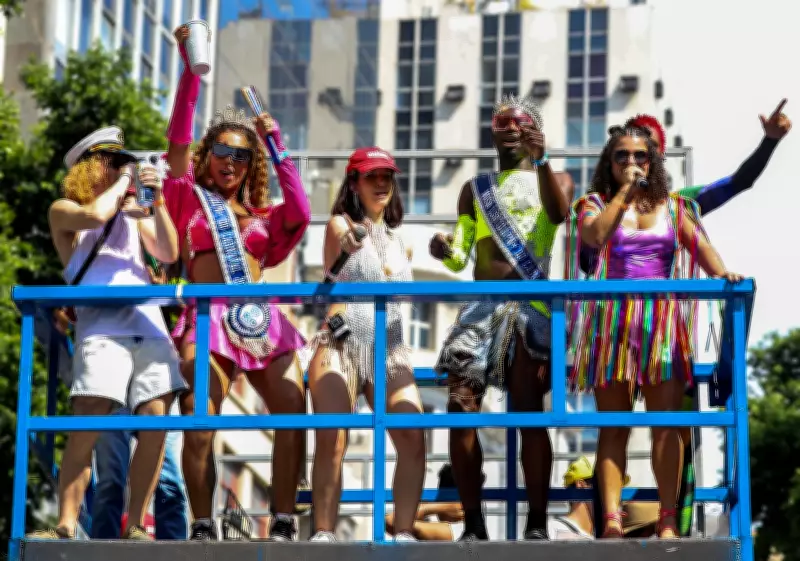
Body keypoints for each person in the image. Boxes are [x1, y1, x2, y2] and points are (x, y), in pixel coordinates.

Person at [163, 24, 310, 542]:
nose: (231, 162)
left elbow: (301, 211)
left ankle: (285, 518)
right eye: (223, 152)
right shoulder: (186, 197)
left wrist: (276, 143)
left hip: (259, 317)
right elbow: (176, 144)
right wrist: (191, 75)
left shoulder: (264, 217)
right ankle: (203, 522)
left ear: (252, 166)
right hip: (207, 315)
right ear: (208, 155)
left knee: (292, 407)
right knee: (198, 413)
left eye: (242, 156)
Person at [565, 124, 743, 539]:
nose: (631, 162)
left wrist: (723, 273)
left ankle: (667, 520)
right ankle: (611, 522)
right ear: (609, 163)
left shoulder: (675, 208)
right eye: (621, 155)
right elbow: (594, 236)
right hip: (611, 324)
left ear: (653, 161)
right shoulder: (592, 203)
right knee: (614, 426)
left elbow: (701, 248)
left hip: (661, 325)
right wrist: (625, 194)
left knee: (665, 424)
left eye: (640, 156)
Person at [28, 126, 185, 541]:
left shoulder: (132, 213)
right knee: (88, 419)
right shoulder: (65, 209)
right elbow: (96, 215)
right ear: (88, 168)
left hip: (147, 324)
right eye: (112, 163)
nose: (121, 169)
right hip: (101, 327)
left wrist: (157, 203)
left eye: (123, 162)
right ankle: (66, 523)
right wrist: (126, 181)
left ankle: (136, 524)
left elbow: (169, 252)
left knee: (155, 420)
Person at [429, 94, 574, 541]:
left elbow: (559, 214)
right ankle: (473, 522)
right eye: (502, 122)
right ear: (492, 132)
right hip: (480, 308)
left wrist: (542, 159)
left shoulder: (557, 179)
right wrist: (444, 249)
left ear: (534, 131)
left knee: (528, 411)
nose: (510, 128)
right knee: (460, 407)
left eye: (520, 122)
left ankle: (536, 522)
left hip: (531, 306)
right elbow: (461, 255)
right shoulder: (475, 188)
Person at [306, 147, 425, 543]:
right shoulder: (339, 225)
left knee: (413, 435)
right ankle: (324, 533)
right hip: (342, 340)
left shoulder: (401, 241)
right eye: (371, 175)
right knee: (333, 436)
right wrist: (350, 242)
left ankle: (403, 534)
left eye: (386, 176)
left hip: (388, 346)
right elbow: (339, 255)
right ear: (354, 182)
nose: (381, 183)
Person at [91, 246, 188, 541]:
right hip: (115, 362)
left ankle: (173, 551)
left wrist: (166, 295)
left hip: (160, 371)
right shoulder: (111, 242)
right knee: (110, 479)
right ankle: (101, 551)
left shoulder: (180, 250)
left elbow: (194, 309)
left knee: (170, 480)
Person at [628, 99, 791, 216]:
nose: (635, 159)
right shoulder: (609, 209)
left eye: (649, 149)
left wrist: (770, 141)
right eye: (626, 151)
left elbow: (738, 182)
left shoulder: (676, 207)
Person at [385, 464, 484, 541]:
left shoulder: (452, 530)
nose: (436, 500)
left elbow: (390, 521)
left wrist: (431, 508)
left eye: (439, 496)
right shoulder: (471, 530)